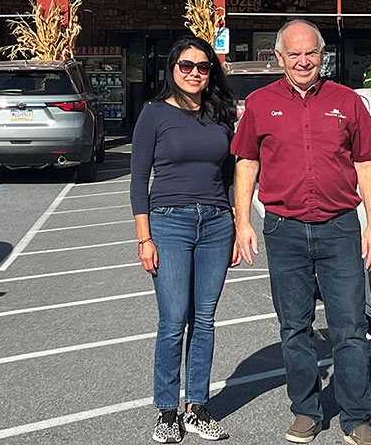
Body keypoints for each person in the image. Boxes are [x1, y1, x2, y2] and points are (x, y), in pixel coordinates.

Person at [233, 20, 371, 445]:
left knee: (350, 327)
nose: (303, 61)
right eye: (294, 54)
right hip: (284, 230)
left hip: (339, 230)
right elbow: (246, 162)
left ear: (323, 56)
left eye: (311, 53)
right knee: (294, 327)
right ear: (279, 58)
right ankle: (306, 411)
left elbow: (365, 164)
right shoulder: (260, 103)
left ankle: (358, 419)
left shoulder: (347, 101)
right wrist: (242, 221)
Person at [130, 34, 239, 443]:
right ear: (172, 69)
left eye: (203, 67)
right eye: (186, 66)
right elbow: (139, 180)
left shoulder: (220, 114)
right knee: (173, 321)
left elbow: (228, 176)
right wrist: (145, 238)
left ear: (212, 72)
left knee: (205, 321)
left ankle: (197, 407)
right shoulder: (154, 114)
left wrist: (233, 222)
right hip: (169, 223)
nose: (195, 73)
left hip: (215, 224)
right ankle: (166, 410)